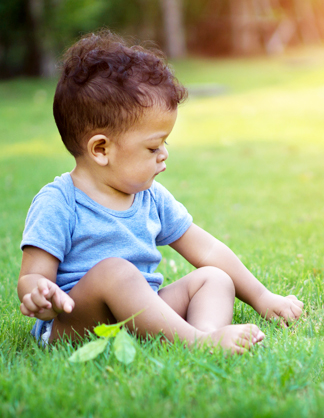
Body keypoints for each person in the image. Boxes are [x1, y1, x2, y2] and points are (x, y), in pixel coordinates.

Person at [17, 30, 303, 354]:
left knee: (215, 277)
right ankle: (197, 343)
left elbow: (207, 250)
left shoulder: (150, 196)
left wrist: (263, 297)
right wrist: (39, 293)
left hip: (143, 310)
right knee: (115, 271)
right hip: (75, 323)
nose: (164, 153)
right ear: (100, 149)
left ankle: (206, 333)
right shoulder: (59, 202)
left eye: (165, 142)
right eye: (153, 146)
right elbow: (31, 277)